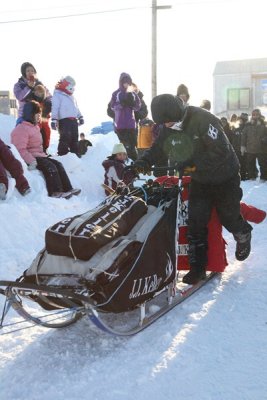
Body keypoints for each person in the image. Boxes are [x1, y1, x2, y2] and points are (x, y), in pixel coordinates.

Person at [133, 94, 253, 284]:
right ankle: (197, 268)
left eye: (169, 122)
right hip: (201, 180)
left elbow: (220, 151)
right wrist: (142, 163)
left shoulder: (202, 119)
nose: (166, 126)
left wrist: (192, 166)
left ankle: (243, 233)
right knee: (196, 222)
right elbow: (158, 149)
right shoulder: (167, 127)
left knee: (228, 216)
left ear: (178, 114)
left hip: (225, 175)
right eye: (163, 124)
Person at [11, 101, 81, 199]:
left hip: (39, 155)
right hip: (31, 158)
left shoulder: (34, 127)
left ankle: (68, 189)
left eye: (39, 115)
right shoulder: (21, 129)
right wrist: (31, 161)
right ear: (30, 114)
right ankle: (55, 192)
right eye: (36, 115)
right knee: (50, 167)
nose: (39, 117)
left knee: (58, 164)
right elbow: (19, 148)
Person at [13, 62, 52, 149]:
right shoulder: (19, 85)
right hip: (24, 117)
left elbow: (49, 96)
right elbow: (20, 96)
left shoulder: (40, 84)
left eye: (32, 70)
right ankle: (24, 154)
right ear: (24, 73)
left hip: (38, 116)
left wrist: (48, 102)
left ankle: (42, 151)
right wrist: (29, 87)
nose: (30, 72)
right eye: (28, 71)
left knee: (41, 135)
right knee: (24, 136)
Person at [109, 72, 141, 161]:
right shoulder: (116, 93)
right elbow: (112, 106)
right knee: (125, 147)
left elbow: (138, 106)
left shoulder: (133, 94)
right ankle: (124, 164)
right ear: (121, 82)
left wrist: (132, 104)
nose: (126, 84)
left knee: (133, 145)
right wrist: (121, 104)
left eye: (128, 82)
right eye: (124, 82)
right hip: (120, 125)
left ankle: (135, 165)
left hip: (131, 125)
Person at [51, 76, 84, 157]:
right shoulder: (58, 94)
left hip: (74, 121)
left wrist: (80, 116)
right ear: (66, 84)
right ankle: (63, 154)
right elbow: (55, 107)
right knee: (65, 137)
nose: (72, 87)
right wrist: (54, 119)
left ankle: (75, 153)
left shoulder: (71, 97)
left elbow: (76, 108)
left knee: (74, 137)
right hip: (64, 121)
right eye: (71, 85)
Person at [241, 109, 267, 181]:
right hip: (250, 148)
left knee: (263, 164)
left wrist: (264, 139)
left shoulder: (264, 124)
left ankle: (264, 177)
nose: (255, 116)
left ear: (259, 115)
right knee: (250, 164)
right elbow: (244, 136)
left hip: (261, 148)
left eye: (256, 114)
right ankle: (252, 176)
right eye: (253, 114)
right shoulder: (248, 124)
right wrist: (243, 146)